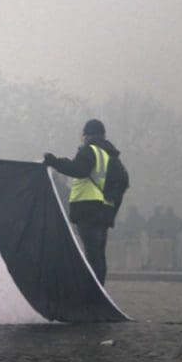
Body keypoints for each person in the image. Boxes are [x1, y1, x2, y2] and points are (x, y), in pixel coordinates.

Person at [43, 119, 122, 285]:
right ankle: (100, 288)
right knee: (99, 254)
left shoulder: (90, 150)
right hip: (104, 210)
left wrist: (55, 162)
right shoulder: (111, 155)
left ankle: (92, 291)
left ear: (87, 135)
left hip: (88, 209)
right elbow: (121, 181)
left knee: (91, 253)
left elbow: (78, 170)